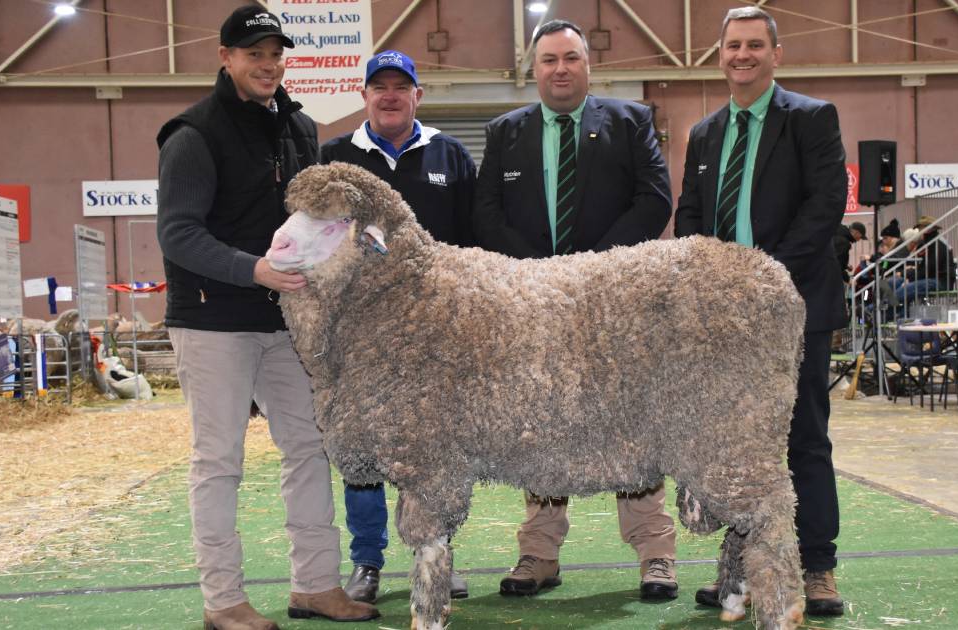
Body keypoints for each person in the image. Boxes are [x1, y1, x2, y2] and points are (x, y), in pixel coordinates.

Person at [156, 6, 379, 629]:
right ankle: (223, 601)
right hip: (211, 318)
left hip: (286, 319)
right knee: (219, 461)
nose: (268, 64)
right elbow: (177, 234)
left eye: (276, 52)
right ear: (225, 57)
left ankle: (314, 585)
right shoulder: (191, 135)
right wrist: (251, 269)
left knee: (309, 448)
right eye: (254, 53)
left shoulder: (299, 127)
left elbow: (313, 219)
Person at [473, 18, 677, 601]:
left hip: (613, 303)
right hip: (535, 307)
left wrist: (590, 268)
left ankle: (655, 553)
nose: (560, 69)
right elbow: (486, 213)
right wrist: (542, 274)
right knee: (539, 427)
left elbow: (655, 198)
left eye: (570, 58)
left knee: (631, 423)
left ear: (589, 66)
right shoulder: (505, 132)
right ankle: (538, 552)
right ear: (532, 70)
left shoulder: (630, 121)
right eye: (548, 60)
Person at [673, 6, 847, 616]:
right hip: (725, 320)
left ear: (777, 54)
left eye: (754, 45)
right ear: (718, 56)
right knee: (734, 449)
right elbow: (690, 218)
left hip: (793, 308)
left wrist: (762, 281)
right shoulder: (704, 134)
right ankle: (739, 575)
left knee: (804, 438)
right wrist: (713, 285)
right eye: (731, 46)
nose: (741, 55)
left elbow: (826, 205)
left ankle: (818, 566)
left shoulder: (811, 119)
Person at [319, 49, 475, 603]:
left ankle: (438, 549)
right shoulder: (336, 157)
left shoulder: (450, 155)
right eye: (378, 86)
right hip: (362, 333)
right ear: (364, 95)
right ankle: (368, 560)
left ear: (418, 95)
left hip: (436, 332)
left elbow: (471, 238)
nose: (389, 95)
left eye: (400, 86)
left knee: (437, 444)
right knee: (363, 448)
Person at [894, 219, 955, 317]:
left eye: (920, 229)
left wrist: (909, 278)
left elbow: (927, 268)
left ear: (927, 229)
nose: (918, 232)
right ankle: (886, 311)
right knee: (899, 285)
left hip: (940, 281)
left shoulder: (936, 244)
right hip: (933, 279)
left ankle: (878, 308)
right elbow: (924, 268)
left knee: (907, 289)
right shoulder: (930, 244)